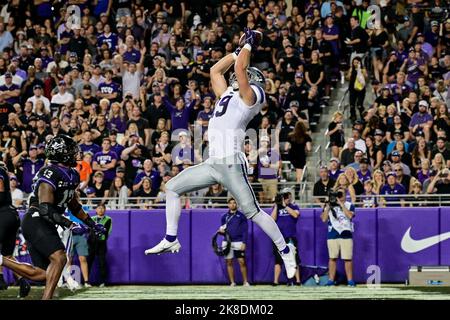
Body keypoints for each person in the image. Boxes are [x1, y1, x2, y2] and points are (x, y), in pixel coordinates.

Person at [144, 28, 297, 280]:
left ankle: (285, 250)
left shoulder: (253, 95)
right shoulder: (228, 93)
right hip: (213, 163)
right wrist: (238, 50)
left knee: (254, 213)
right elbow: (216, 70)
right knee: (171, 187)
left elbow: (238, 70)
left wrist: (247, 47)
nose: (239, 75)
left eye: (244, 73)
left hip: (231, 163)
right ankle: (171, 238)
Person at [0, 135, 106, 299]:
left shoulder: (73, 174)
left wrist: (92, 224)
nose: (75, 153)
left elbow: (74, 205)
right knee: (59, 258)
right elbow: (45, 208)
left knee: (44, 274)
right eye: (71, 150)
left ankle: (2, 260)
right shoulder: (49, 172)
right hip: (36, 219)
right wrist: (68, 223)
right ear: (61, 153)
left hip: (47, 222)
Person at [0, 162, 30, 297]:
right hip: (10, 215)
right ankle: (22, 280)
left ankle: (0, 277)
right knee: (7, 256)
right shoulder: (4, 173)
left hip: (4, 214)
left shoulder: (0, 172)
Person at [320, 188, 356, 287]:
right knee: (332, 258)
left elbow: (350, 216)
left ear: (345, 195)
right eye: (338, 194)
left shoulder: (349, 205)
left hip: (346, 234)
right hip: (333, 234)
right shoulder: (329, 205)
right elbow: (323, 219)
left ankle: (350, 280)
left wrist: (341, 204)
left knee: (347, 258)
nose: (339, 196)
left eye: (341, 194)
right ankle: (331, 280)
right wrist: (327, 206)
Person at [271, 188, 301, 286]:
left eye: (288, 196)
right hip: (279, 238)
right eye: (285, 197)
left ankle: (297, 281)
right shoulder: (277, 208)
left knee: (294, 259)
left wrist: (285, 206)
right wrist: (277, 205)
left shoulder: (294, 206)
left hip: (290, 236)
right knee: (278, 259)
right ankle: (275, 281)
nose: (286, 198)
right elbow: (272, 219)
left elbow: (295, 215)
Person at [218, 198, 249, 287]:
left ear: (237, 204)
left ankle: (245, 282)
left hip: (238, 241)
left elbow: (245, 230)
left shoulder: (242, 216)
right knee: (229, 262)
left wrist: (244, 242)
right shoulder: (224, 216)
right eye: (231, 203)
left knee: (241, 261)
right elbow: (223, 229)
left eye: (234, 203)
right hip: (227, 242)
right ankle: (232, 282)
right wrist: (221, 232)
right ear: (228, 205)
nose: (232, 205)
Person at [88, 203, 112, 287]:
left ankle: (102, 281)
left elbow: (107, 231)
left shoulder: (108, 219)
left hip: (102, 243)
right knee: (89, 261)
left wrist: (99, 232)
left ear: (105, 210)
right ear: (96, 210)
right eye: (99, 208)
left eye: (102, 208)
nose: (101, 210)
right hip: (92, 243)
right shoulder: (92, 218)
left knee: (102, 262)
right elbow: (89, 230)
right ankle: (86, 281)